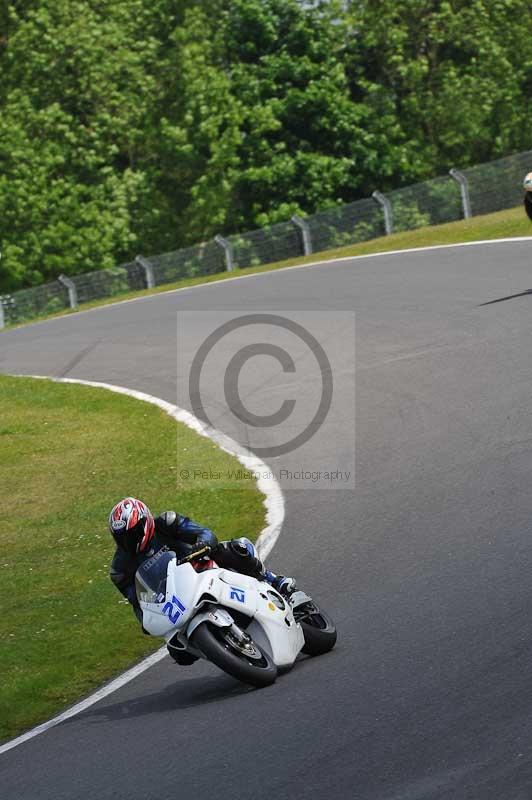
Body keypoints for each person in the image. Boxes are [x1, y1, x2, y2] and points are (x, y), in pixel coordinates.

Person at [108, 497, 296, 665]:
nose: (128, 541)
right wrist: (148, 621)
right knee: (179, 654)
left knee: (233, 549)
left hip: (198, 567)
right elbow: (138, 603)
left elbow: (205, 533)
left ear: (146, 523)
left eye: (132, 534)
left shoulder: (167, 523)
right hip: (175, 597)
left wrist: (202, 543)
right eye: (121, 538)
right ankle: (224, 648)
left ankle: (272, 579)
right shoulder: (120, 569)